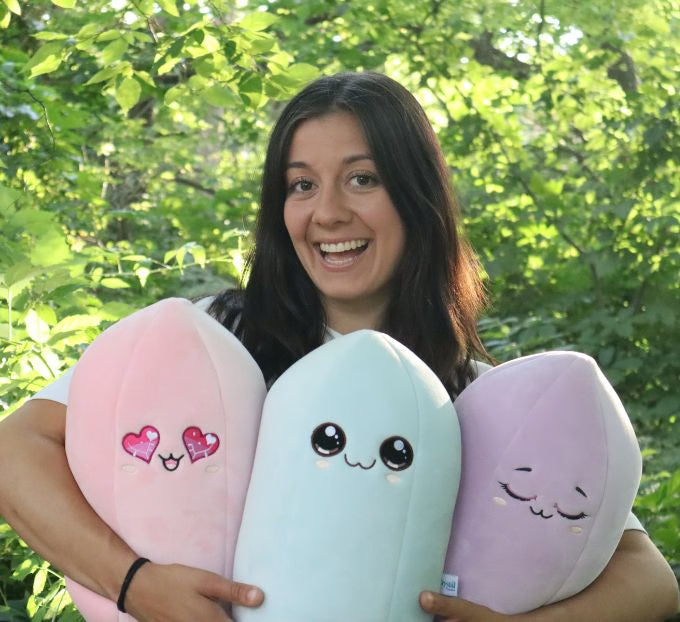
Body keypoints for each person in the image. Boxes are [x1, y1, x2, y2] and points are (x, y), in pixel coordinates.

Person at [0, 72, 677, 622]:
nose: (326, 212)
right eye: (301, 185)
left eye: (362, 178)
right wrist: (133, 583)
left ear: (417, 197)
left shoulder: (473, 394)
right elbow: (13, 452)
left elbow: (648, 577)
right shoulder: (213, 339)